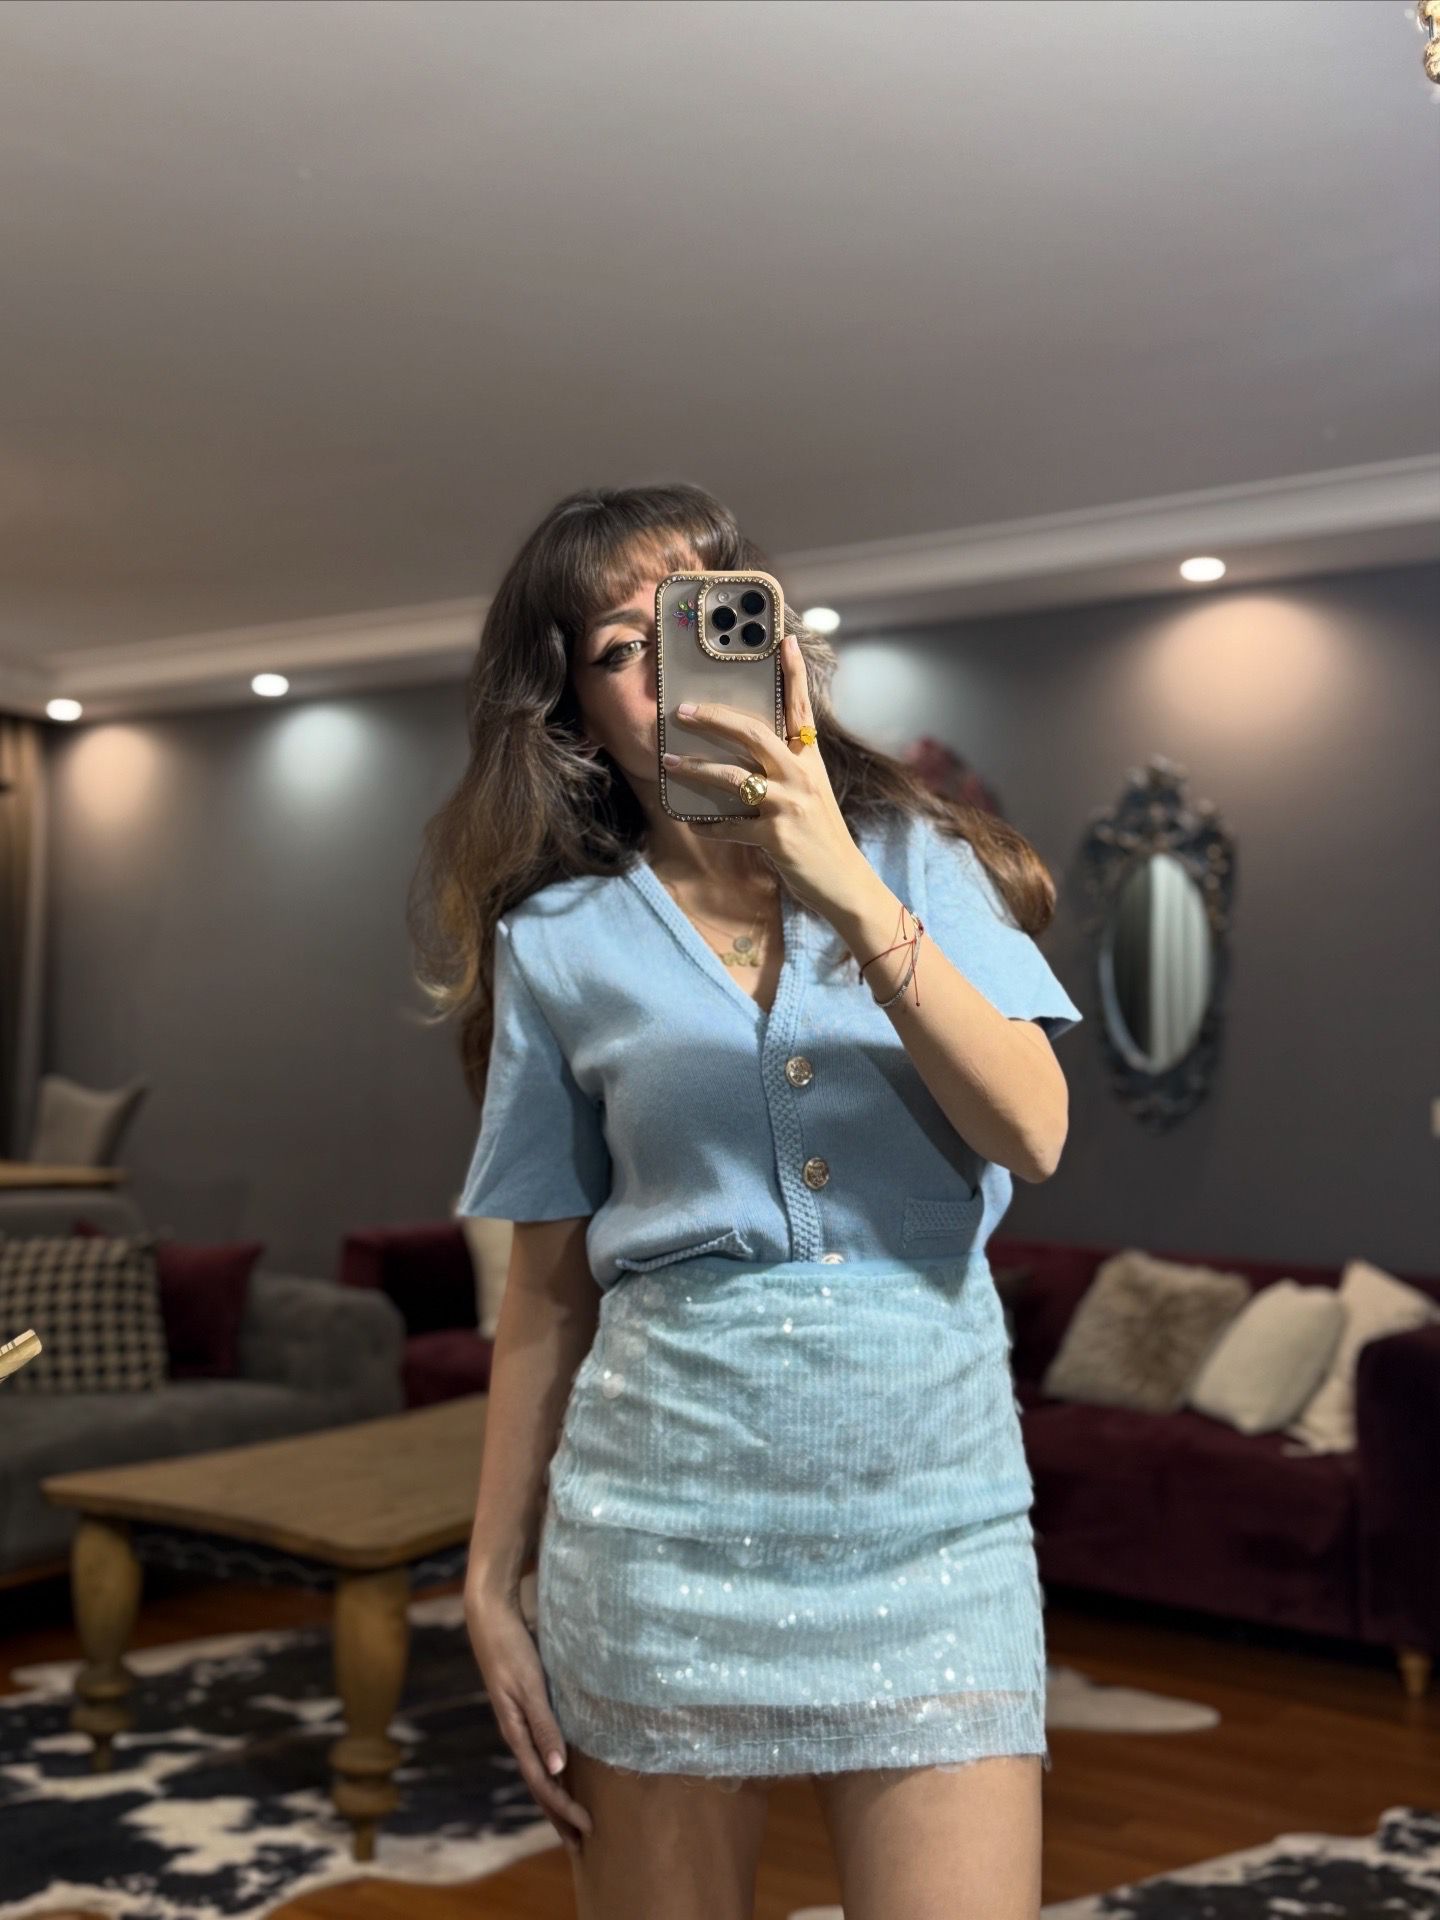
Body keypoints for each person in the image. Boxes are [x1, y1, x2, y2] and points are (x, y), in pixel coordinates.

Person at [411, 481, 1083, 1920]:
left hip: (938, 1526)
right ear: (574, 713)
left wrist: (843, 883)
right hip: (655, 1537)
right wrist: (488, 1574)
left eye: (702, 616)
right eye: (620, 645)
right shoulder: (556, 940)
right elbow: (547, 1287)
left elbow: (1033, 1132)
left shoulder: (923, 863)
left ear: (773, 638)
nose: (669, 664)